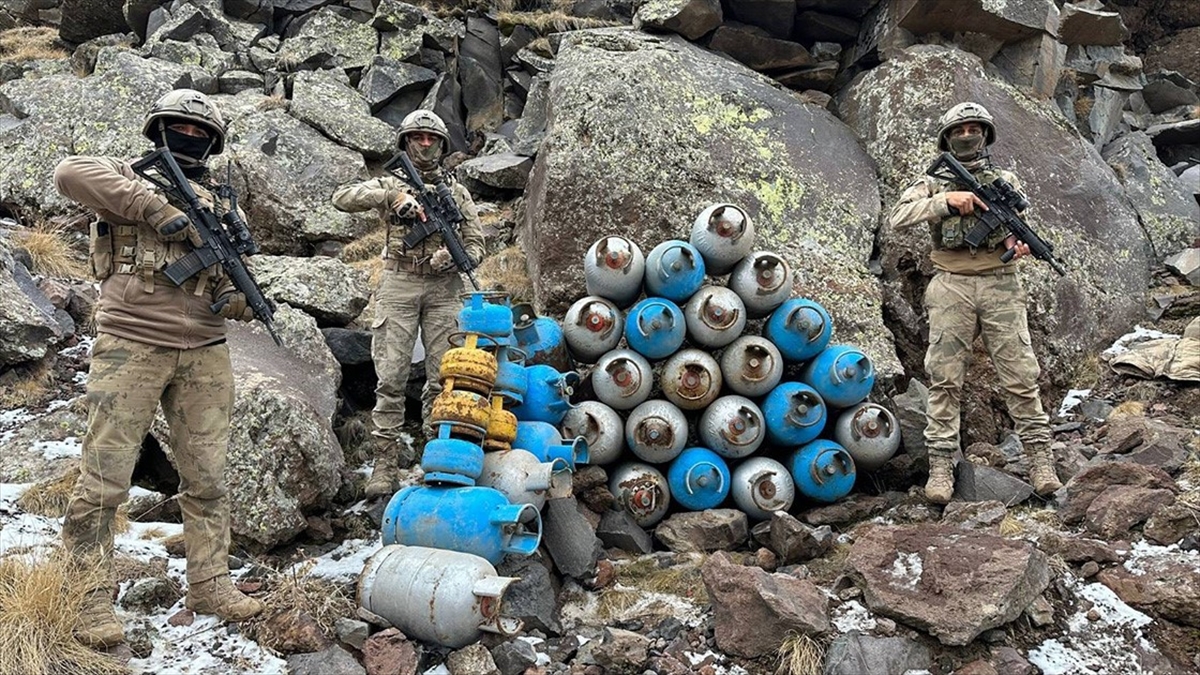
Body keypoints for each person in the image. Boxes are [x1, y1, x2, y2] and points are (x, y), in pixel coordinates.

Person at [55, 89, 263, 649]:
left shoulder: (223, 204)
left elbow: (232, 276)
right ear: (158, 129)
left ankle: (210, 584)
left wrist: (237, 300)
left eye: (200, 132)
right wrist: (155, 209)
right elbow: (68, 172)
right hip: (131, 343)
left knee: (209, 477)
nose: (190, 137)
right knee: (103, 479)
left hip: (205, 349)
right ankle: (88, 597)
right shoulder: (125, 176)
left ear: (214, 142)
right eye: (180, 127)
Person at [888, 101, 1062, 504]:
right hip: (951, 283)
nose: (968, 135)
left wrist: (1014, 245)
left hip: (1001, 282)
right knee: (945, 377)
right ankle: (941, 469)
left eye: (974, 128)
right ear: (947, 138)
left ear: (986, 134)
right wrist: (947, 202)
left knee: (1020, 375)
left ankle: (1041, 460)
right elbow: (899, 216)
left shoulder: (1005, 180)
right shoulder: (933, 182)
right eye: (960, 129)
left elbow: (1012, 222)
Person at [332, 109, 486, 499]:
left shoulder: (458, 192)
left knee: (444, 376)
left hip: (443, 289)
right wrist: (392, 196)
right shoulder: (391, 183)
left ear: (441, 144)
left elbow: (476, 244)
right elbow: (342, 198)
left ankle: (438, 454)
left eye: (431, 138)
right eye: (416, 137)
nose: (424, 143)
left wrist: (452, 258)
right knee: (391, 376)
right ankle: (384, 465)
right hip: (399, 283)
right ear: (405, 142)